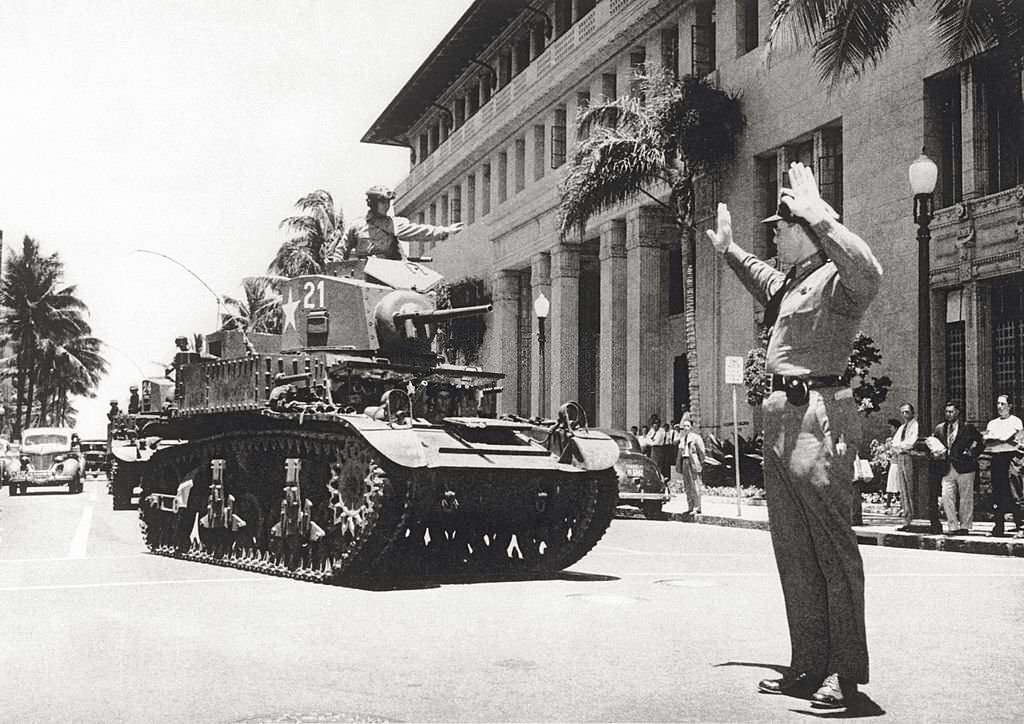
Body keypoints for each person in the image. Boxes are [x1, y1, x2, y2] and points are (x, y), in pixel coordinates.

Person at [707, 161, 881, 709]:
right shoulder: (793, 284)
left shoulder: (838, 278)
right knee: (794, 552)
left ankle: (845, 673)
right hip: (780, 420)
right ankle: (808, 662)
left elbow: (871, 270)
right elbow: (761, 277)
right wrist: (730, 250)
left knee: (831, 549)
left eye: (780, 226)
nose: (773, 235)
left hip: (817, 416)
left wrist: (821, 216)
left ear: (802, 227)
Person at [331, 185, 463, 261]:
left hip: (387, 275)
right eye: (383, 202)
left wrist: (445, 231)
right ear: (372, 203)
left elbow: (418, 231)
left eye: (388, 202)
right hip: (359, 275)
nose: (387, 206)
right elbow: (341, 250)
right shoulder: (357, 226)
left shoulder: (394, 224)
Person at [932, 401, 983, 535]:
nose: (948, 414)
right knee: (946, 496)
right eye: (946, 412)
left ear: (958, 412)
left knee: (966, 498)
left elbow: (980, 441)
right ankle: (953, 526)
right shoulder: (940, 428)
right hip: (946, 467)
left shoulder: (967, 427)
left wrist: (972, 453)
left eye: (951, 412)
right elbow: (934, 443)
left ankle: (965, 526)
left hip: (965, 467)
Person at [983, 395, 1024, 537]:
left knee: (1015, 492)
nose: (999, 407)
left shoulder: (1016, 422)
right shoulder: (992, 423)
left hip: (1012, 459)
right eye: (998, 403)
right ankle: (998, 527)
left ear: (1010, 405)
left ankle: (1022, 526)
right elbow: (987, 443)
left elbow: (1015, 443)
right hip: (996, 459)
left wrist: (1000, 441)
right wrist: (1003, 440)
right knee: (997, 493)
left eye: (1002, 404)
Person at [890, 403, 919, 530]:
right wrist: (899, 447)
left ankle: (914, 518)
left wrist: (900, 446)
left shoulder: (916, 426)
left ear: (912, 413)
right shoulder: (902, 428)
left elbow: (911, 442)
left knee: (910, 487)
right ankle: (907, 519)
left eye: (907, 412)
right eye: (902, 412)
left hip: (909, 457)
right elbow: (894, 443)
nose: (904, 415)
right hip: (900, 457)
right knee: (903, 490)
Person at [675, 419, 705, 515]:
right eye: (684, 426)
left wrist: (699, 463)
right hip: (685, 461)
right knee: (687, 485)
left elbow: (702, 452)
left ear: (691, 427)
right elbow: (680, 453)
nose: (685, 428)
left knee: (695, 485)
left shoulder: (696, 438)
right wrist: (678, 465)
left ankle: (697, 507)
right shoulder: (682, 439)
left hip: (693, 462)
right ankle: (690, 506)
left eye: (687, 426)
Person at [882, 418, 902, 512]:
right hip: (893, 463)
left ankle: (902, 505)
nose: (890, 429)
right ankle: (888, 504)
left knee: (899, 485)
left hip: (899, 463)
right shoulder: (891, 439)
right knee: (890, 485)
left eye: (891, 427)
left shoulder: (901, 438)